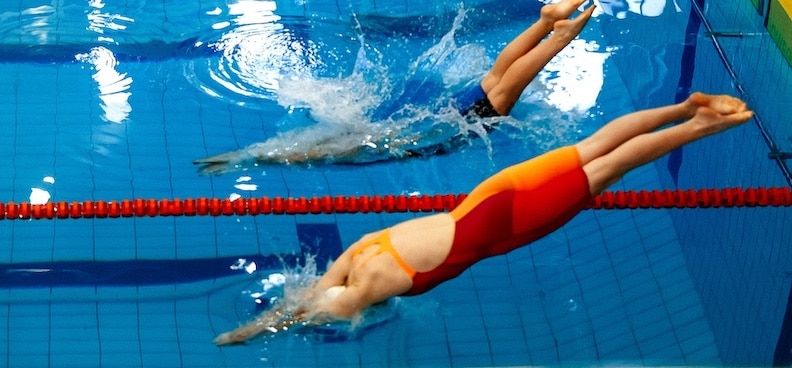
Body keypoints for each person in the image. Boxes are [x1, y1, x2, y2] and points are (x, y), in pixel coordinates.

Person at [213, 92, 753, 344]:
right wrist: (274, 318)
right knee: (597, 145)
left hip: (508, 222)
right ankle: (684, 107)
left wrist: (252, 332)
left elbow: (306, 312)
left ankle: (703, 125)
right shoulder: (360, 250)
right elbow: (317, 291)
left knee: (609, 169)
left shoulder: (366, 286)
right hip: (489, 195)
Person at [193, 0, 595, 173]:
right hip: (447, 117)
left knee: (499, 89)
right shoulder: (366, 137)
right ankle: (546, 24)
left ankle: (551, 31)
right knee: (496, 83)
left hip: (452, 115)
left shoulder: (364, 145)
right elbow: (301, 151)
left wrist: (247, 158)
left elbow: (302, 154)